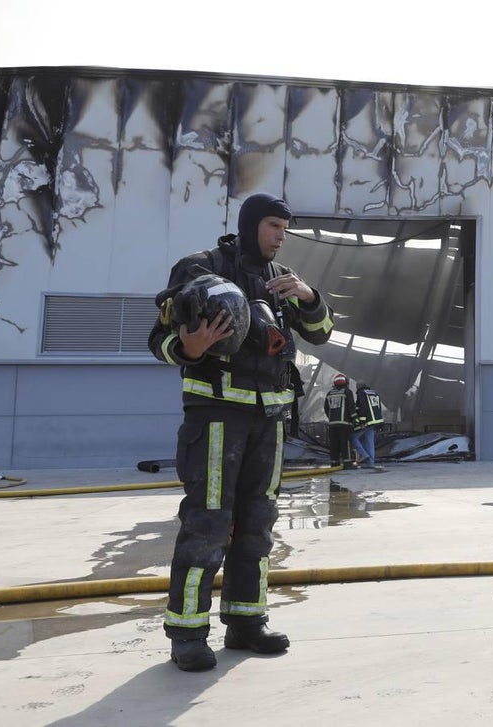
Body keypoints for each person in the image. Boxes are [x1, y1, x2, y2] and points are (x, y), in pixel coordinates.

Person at [148, 192, 335, 672]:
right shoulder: (200, 269)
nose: (280, 236)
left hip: (268, 418)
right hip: (215, 416)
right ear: (251, 224)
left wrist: (311, 297)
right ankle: (187, 634)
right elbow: (160, 339)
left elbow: (320, 333)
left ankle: (246, 622)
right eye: (273, 226)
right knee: (208, 523)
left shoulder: (280, 281)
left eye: (285, 229)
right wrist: (188, 348)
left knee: (258, 523)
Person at [324, 373, 357, 468]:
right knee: (345, 443)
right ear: (345, 382)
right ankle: (347, 463)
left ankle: (334, 463)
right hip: (344, 424)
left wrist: (331, 418)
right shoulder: (347, 392)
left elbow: (326, 408)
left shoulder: (329, 393)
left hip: (332, 424)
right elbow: (351, 407)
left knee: (334, 445)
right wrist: (355, 420)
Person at [353, 382, 386, 469]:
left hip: (368, 421)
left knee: (353, 437)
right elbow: (378, 406)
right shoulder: (374, 392)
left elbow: (363, 407)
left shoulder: (361, 393)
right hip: (376, 420)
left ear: (359, 387)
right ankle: (371, 463)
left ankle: (363, 455)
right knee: (369, 440)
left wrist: (362, 421)